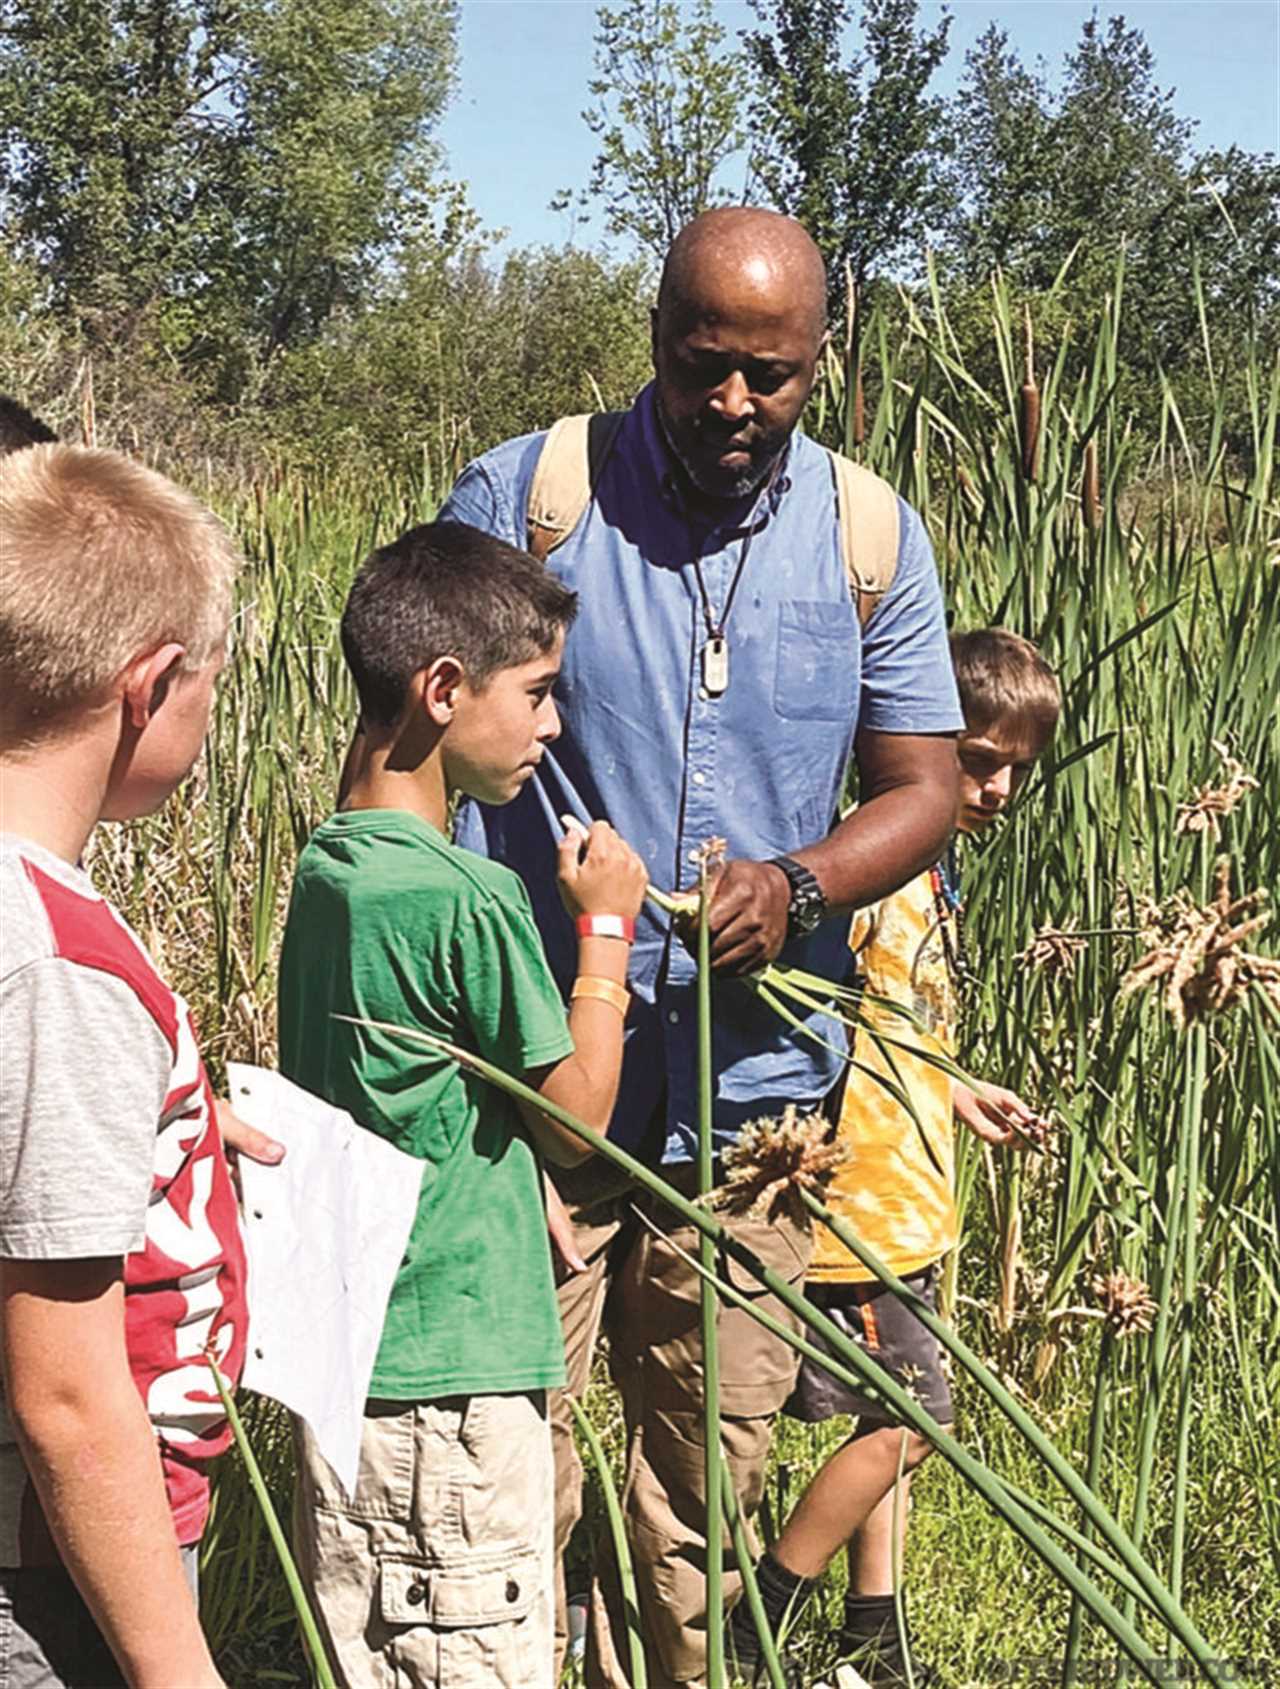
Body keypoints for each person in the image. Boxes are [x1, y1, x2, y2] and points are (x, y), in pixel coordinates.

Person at [438, 205, 965, 1689]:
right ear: (656, 335)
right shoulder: (534, 497)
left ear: (820, 364)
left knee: (704, 1489)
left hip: (757, 1108)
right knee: (495, 1458)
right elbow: (414, 739)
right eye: (704, 363)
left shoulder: (869, 537)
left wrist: (797, 886)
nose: (735, 405)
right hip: (536, 1085)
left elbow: (922, 785)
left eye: (774, 377)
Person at [277, 521, 648, 1688]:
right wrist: (604, 928)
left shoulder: (332, 865)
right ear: (441, 690)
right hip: (454, 1376)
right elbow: (579, 1120)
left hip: (356, 1361)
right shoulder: (463, 893)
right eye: (536, 694)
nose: (551, 726)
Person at [727, 628, 1062, 1687]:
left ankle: (874, 1636)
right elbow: (820, 1024)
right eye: (974, 757)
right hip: (858, 1206)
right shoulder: (872, 876)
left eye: (1016, 766)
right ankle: (763, 1604)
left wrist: (957, 1092)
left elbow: (895, 1031)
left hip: (911, 1201)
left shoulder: (933, 880)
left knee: (889, 1413)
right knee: (916, 1424)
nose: (997, 786)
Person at [0, 444, 248, 1688]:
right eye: (209, 685)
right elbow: (68, 1393)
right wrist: (176, 1668)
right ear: (146, 683)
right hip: (56, 1570)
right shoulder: (62, 965)